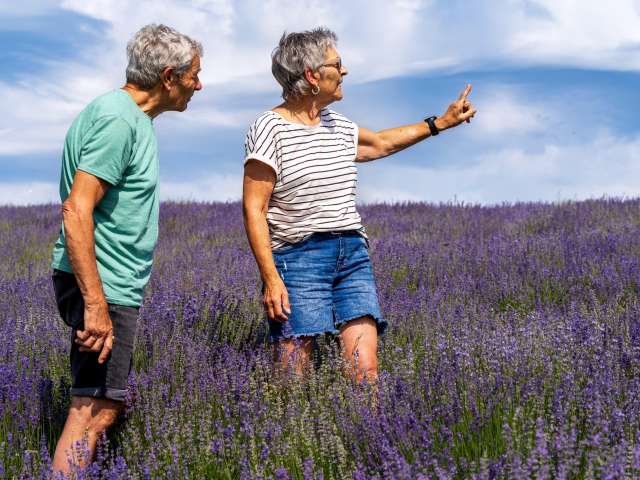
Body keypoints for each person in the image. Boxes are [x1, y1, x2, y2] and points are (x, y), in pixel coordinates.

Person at [242, 28, 475, 381]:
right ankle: (290, 421)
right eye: (337, 64)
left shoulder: (337, 125)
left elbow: (380, 143)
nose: (345, 71)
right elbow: (254, 209)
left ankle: (365, 420)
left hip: (351, 254)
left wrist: (439, 123)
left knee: (365, 368)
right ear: (312, 75)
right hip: (298, 258)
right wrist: (271, 279)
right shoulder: (269, 128)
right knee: (292, 373)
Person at [50, 24, 202, 475]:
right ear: (169, 76)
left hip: (109, 282)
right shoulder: (119, 120)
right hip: (104, 282)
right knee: (91, 408)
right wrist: (96, 305)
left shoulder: (128, 118)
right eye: (194, 75)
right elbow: (77, 208)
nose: (199, 85)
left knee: (105, 404)